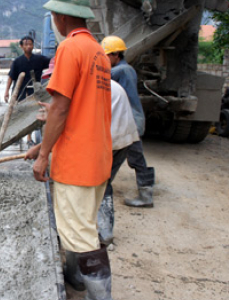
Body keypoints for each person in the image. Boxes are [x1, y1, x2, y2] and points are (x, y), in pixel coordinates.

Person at [26, 1, 114, 298]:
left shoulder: (69, 48)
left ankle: (100, 296)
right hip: (97, 157)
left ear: (61, 17)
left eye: (52, 16)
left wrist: (42, 156)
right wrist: (42, 144)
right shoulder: (99, 52)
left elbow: (60, 110)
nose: (53, 21)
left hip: (76, 164)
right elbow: (80, 112)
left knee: (80, 236)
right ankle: (85, 287)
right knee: (85, 228)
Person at [101, 35, 155, 208]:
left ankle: (146, 194)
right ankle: (146, 190)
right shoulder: (125, 69)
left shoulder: (121, 71)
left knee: (135, 157)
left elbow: (100, 76)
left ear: (116, 55)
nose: (104, 60)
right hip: (130, 119)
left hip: (130, 120)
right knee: (136, 156)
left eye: (106, 56)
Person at [98, 80, 140, 246]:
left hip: (110, 139)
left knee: (99, 184)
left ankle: (104, 233)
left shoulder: (90, 86)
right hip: (124, 138)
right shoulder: (108, 82)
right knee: (103, 183)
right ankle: (104, 231)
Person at [4, 35, 51, 147]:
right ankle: (17, 137)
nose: (29, 46)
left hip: (34, 92)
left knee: (32, 115)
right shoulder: (17, 62)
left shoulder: (39, 59)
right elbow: (11, 77)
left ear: (33, 45)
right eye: (26, 44)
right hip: (19, 92)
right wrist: (6, 92)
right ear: (21, 46)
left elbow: (54, 63)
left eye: (30, 44)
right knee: (18, 114)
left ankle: (29, 138)